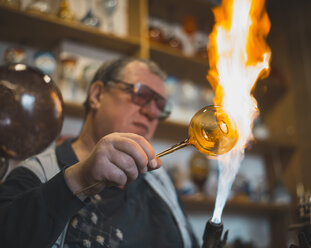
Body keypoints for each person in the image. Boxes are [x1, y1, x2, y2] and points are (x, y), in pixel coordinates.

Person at [0, 57, 200, 248]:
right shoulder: (37, 173)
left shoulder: (160, 181)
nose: (152, 113)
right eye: (141, 94)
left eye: (160, 106)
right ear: (97, 95)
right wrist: (79, 179)